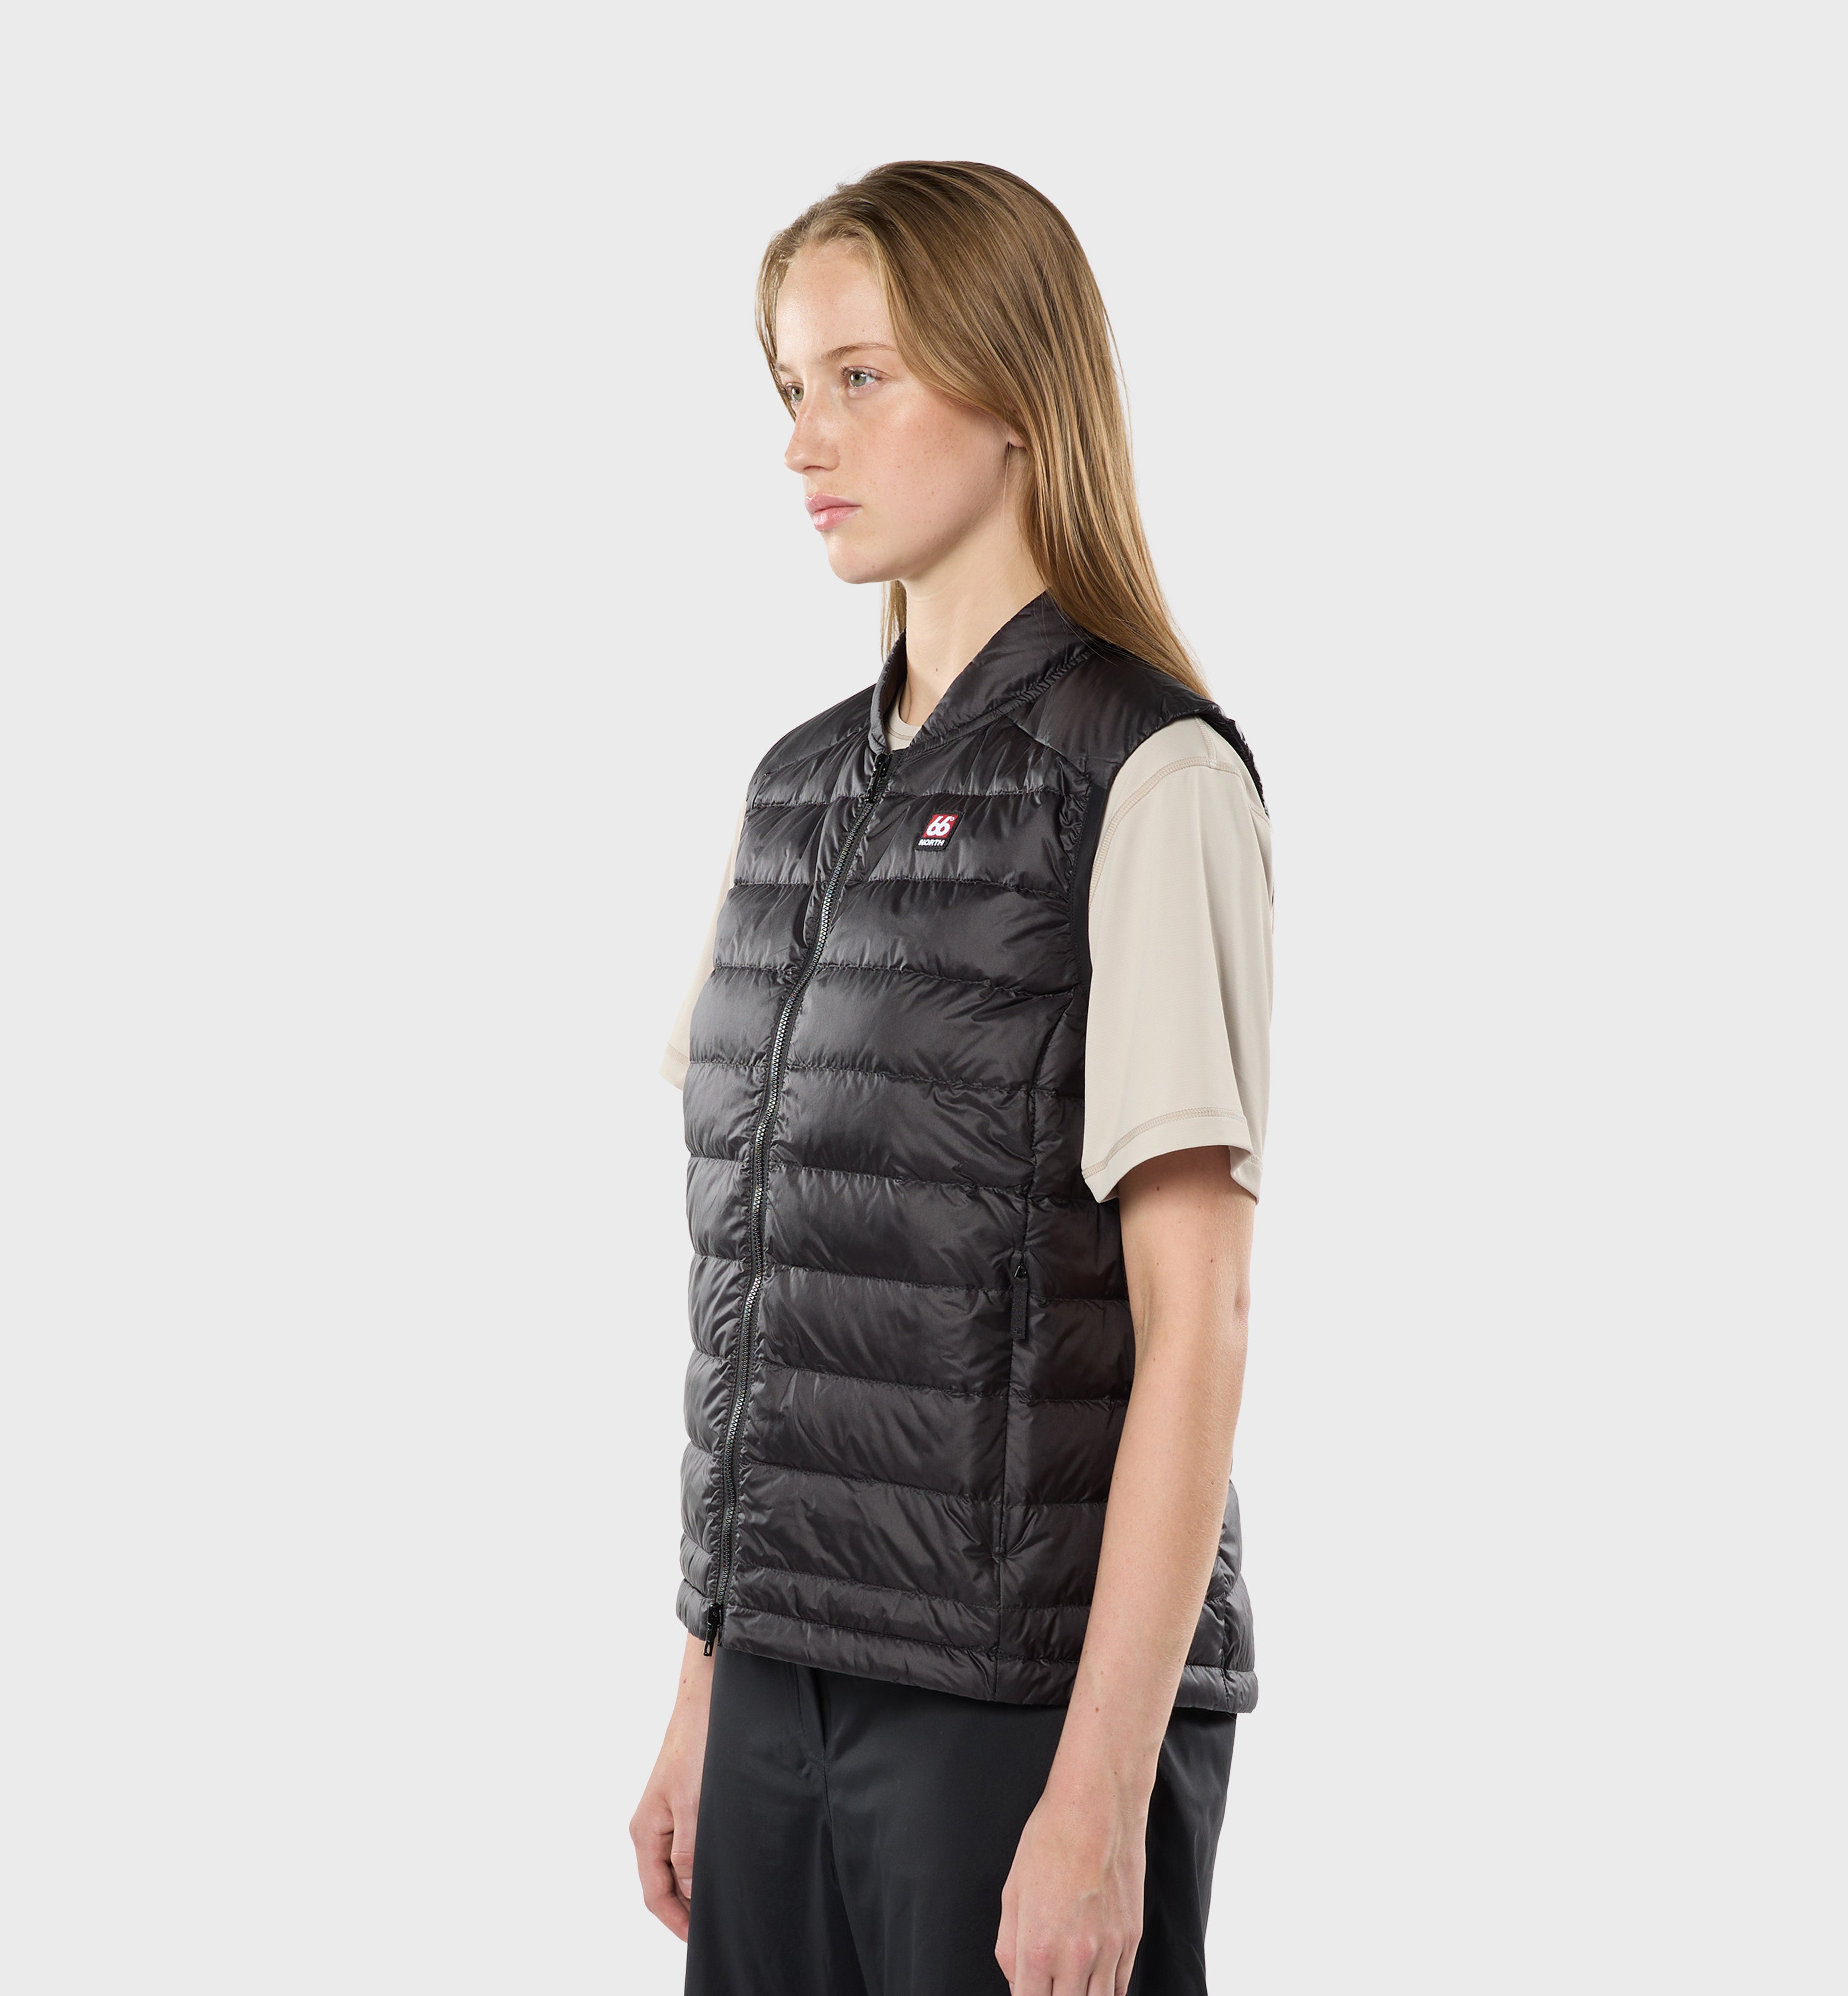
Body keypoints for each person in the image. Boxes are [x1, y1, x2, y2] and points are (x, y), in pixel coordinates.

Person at [629, 161, 1274, 1996]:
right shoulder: (792, 792)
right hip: (784, 1684)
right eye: (790, 386)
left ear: (1014, 391)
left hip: (1016, 1706)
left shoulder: (1147, 778)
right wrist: (708, 1687)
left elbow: (1201, 1323)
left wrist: (1100, 1794)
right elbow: (765, 1289)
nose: (804, 441)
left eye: (861, 378)